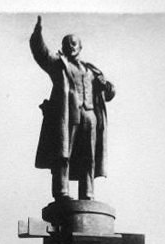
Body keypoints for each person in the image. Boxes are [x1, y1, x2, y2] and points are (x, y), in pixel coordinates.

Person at [30, 15, 116, 201]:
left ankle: (87, 194)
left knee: (89, 157)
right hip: (68, 115)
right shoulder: (58, 65)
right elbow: (41, 53)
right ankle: (62, 192)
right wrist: (37, 35)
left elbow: (109, 94)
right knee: (63, 154)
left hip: (90, 116)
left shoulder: (92, 71)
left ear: (80, 47)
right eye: (67, 44)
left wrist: (107, 86)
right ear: (63, 47)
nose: (71, 46)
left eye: (74, 43)